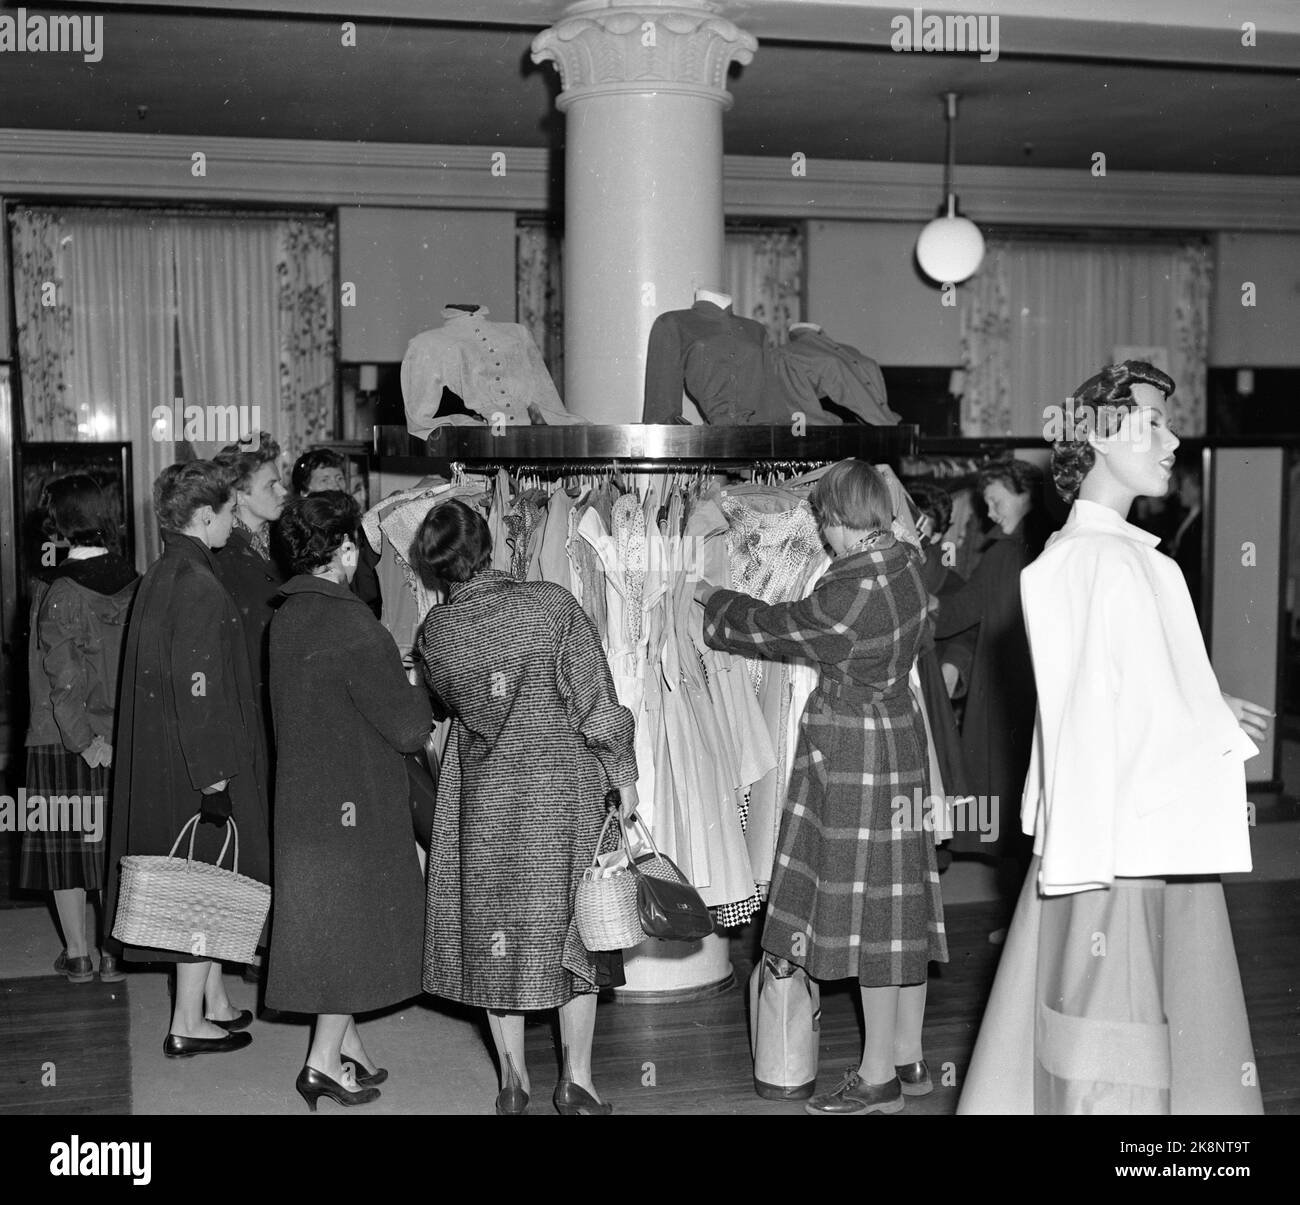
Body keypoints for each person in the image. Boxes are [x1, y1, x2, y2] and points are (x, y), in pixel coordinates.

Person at [958, 360, 1267, 1115]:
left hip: (1124, 840)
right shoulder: (1098, 560)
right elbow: (1088, 716)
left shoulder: (1112, 556)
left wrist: (1203, 698)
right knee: (1117, 1038)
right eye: (1151, 421)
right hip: (1119, 850)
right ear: (1096, 433)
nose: (1172, 438)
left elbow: (1112, 689)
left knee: (1128, 1024)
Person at [696, 459, 947, 1116]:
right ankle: (906, 1057)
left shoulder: (850, 591)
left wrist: (714, 601)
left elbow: (782, 630)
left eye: (824, 525)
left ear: (839, 521)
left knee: (866, 912)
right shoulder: (908, 563)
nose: (823, 536)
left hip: (852, 749)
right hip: (899, 736)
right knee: (898, 903)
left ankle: (876, 1080)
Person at [412, 498, 639, 1116]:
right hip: (559, 791)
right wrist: (623, 775)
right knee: (576, 930)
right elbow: (596, 703)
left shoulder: (435, 633)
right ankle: (578, 1081)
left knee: (498, 935)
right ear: (488, 544)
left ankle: (513, 1080)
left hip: (482, 798)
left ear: (434, 568)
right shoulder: (551, 605)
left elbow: (448, 704)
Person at [265, 492, 432, 1111]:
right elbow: (409, 729)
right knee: (350, 931)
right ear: (342, 549)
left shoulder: (288, 616)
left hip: (307, 799)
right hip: (356, 800)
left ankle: (350, 1046)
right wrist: (416, 679)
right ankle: (320, 1063)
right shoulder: (354, 625)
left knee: (331, 924)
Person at [103, 461, 270, 1056]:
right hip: (194, 762)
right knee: (204, 886)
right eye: (228, 513)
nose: (233, 523)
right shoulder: (199, 583)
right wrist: (216, 776)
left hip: (163, 756)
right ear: (205, 516)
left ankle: (213, 1002)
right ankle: (186, 1022)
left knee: (204, 884)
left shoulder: (164, 572)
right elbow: (199, 686)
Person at [20, 475, 138, 983]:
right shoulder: (136, 581)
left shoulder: (58, 588)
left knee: (67, 849)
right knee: (113, 848)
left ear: (62, 523)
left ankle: (79, 954)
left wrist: (84, 742)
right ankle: (114, 951)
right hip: (121, 737)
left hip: (62, 737)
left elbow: (61, 679)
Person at [932, 458, 1045, 896]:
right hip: (1034, 690)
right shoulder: (1040, 546)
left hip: (1008, 691)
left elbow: (957, 613)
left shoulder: (1002, 554)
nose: (990, 514)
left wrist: (914, 608)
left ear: (1025, 494)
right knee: (1029, 802)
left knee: (1010, 793)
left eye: (996, 503)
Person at [290, 447, 381, 618]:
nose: (335, 485)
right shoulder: (302, 533)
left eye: (339, 478)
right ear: (304, 492)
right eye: (325, 479)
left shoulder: (360, 526)